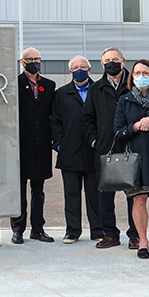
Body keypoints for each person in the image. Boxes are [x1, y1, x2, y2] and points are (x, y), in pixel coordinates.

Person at [113, 59, 149, 260]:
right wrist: (136, 126)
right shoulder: (125, 100)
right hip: (137, 160)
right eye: (137, 73)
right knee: (138, 199)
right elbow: (118, 132)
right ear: (132, 77)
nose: (141, 77)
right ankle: (143, 241)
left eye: (145, 73)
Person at [81, 47, 139, 249]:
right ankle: (110, 234)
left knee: (134, 197)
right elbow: (87, 118)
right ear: (102, 64)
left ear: (124, 61)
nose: (111, 63)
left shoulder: (135, 85)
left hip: (131, 149)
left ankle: (135, 234)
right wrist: (95, 141)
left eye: (115, 59)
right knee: (105, 197)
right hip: (105, 151)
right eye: (107, 60)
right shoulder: (96, 89)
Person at [52, 56, 100, 243]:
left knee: (95, 194)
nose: (79, 70)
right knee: (71, 195)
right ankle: (72, 230)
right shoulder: (61, 93)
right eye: (75, 67)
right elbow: (55, 121)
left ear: (89, 70)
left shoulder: (98, 90)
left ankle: (98, 230)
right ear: (70, 71)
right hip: (69, 152)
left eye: (83, 67)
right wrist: (59, 145)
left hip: (93, 151)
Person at [10, 47, 55, 244]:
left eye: (37, 58)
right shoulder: (14, 84)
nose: (35, 62)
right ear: (22, 62)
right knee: (19, 190)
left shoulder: (49, 85)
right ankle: (18, 229)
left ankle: (38, 229)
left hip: (42, 145)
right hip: (20, 145)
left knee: (39, 190)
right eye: (30, 59)